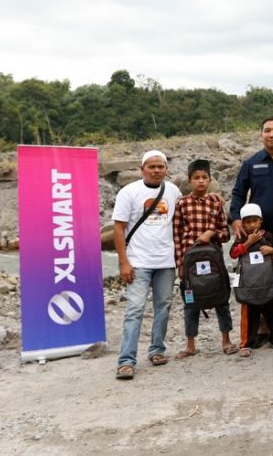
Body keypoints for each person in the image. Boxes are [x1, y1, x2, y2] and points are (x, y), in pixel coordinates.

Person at [113, 150, 182, 380]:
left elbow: (181, 221)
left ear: (166, 169)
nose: (156, 170)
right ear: (142, 169)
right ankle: (126, 360)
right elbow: (119, 228)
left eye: (160, 166)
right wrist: (123, 261)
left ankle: (157, 350)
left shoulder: (173, 191)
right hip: (138, 261)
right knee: (135, 310)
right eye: (151, 167)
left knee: (163, 306)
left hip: (165, 261)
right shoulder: (128, 192)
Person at [172, 159, 236, 359]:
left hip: (213, 261)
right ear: (189, 181)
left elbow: (226, 234)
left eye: (204, 178)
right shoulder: (181, 204)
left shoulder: (215, 202)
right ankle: (190, 345)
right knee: (190, 302)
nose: (200, 182)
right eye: (196, 178)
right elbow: (177, 236)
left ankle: (226, 340)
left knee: (221, 299)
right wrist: (180, 264)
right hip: (189, 265)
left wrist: (211, 233)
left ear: (210, 180)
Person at [230, 116, 273, 241]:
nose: (272, 134)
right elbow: (238, 193)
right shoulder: (250, 163)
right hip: (258, 229)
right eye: (267, 131)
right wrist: (236, 218)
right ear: (261, 135)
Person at [229, 203, 273, 357]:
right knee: (250, 315)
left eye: (255, 220)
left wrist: (271, 250)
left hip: (267, 281)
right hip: (249, 284)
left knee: (272, 310)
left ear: (261, 221)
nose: (251, 224)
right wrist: (248, 243)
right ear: (243, 223)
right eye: (247, 222)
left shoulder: (268, 236)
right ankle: (246, 343)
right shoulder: (241, 237)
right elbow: (233, 253)